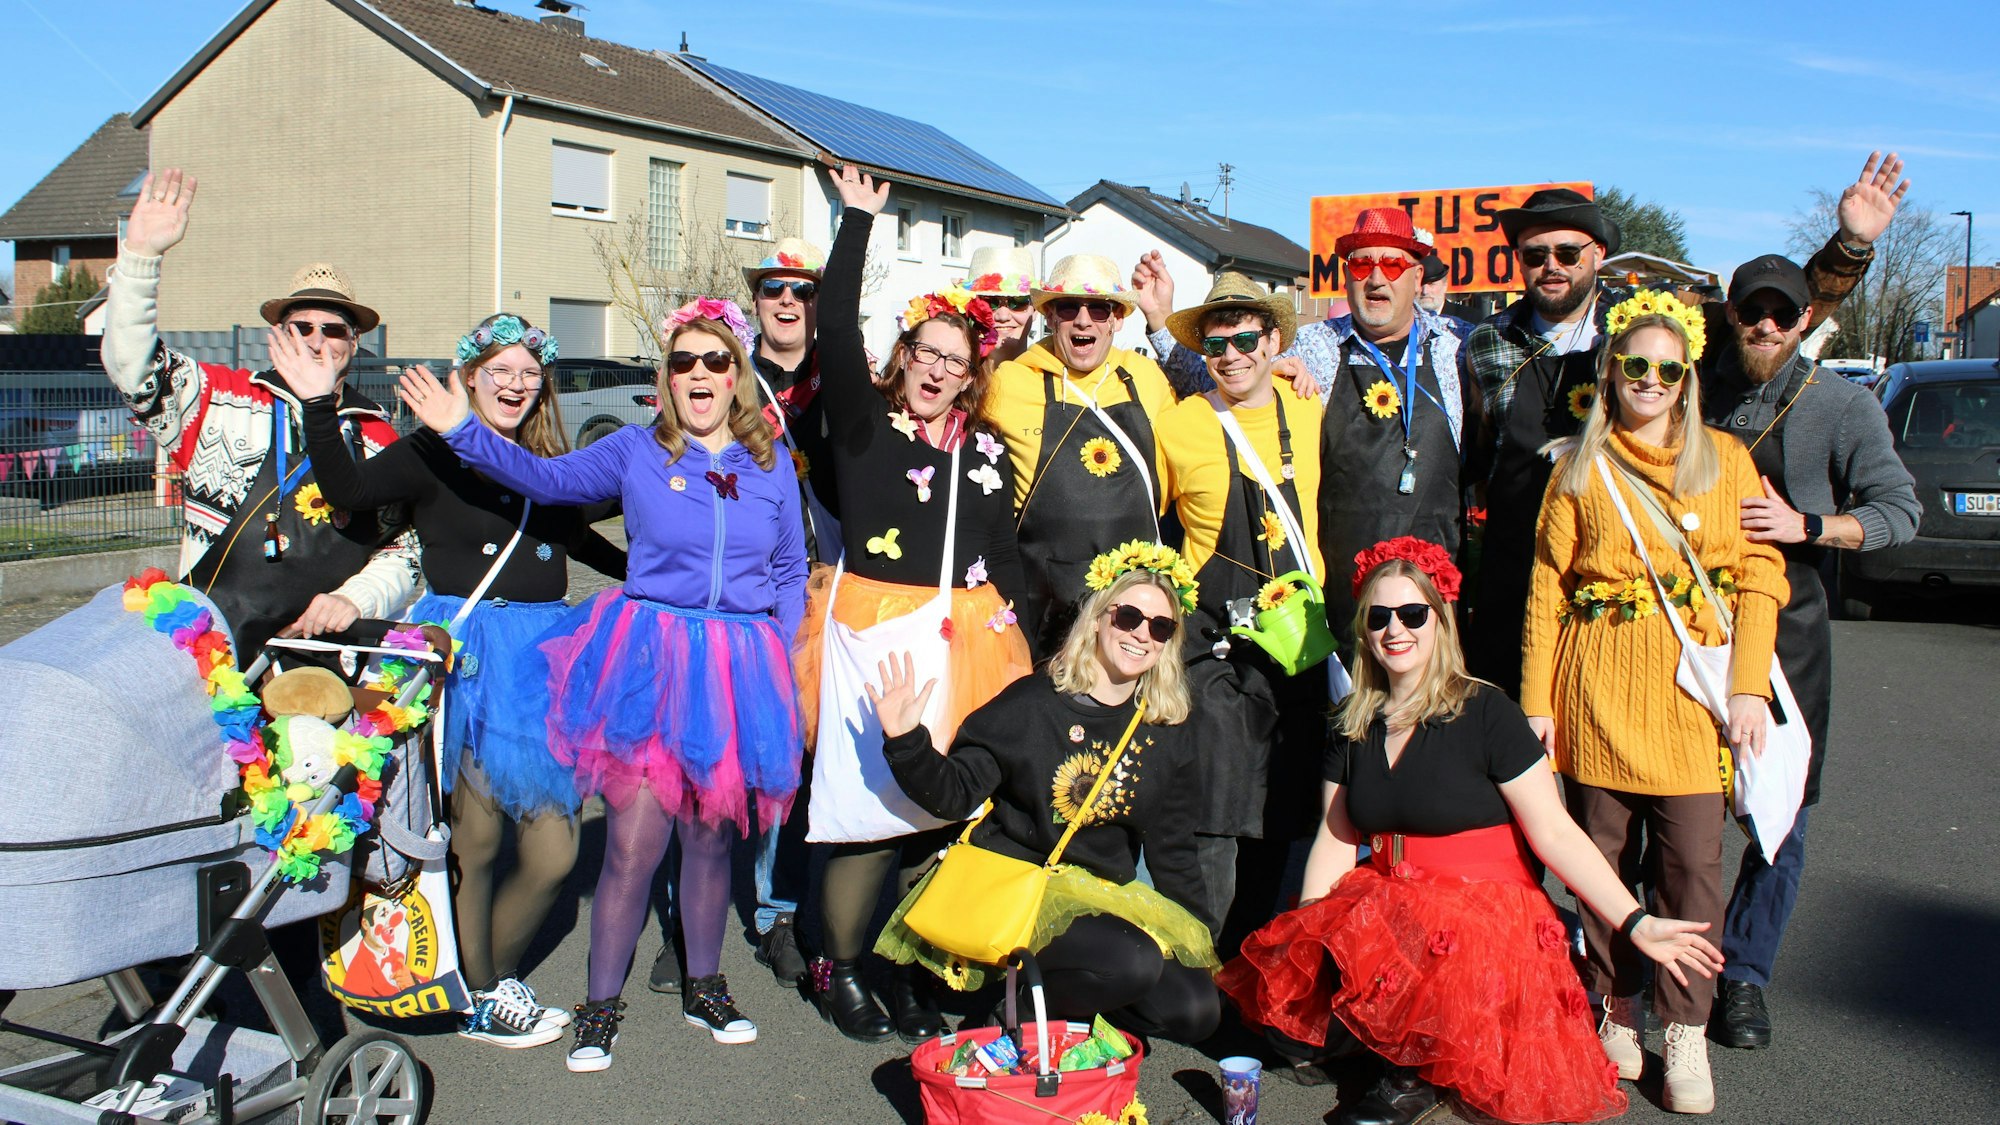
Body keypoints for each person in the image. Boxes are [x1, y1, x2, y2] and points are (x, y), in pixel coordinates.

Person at [396, 301, 806, 1072]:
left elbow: (788, 570)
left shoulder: (769, 462)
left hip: (739, 664)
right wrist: (463, 428)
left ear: (737, 375)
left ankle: (706, 984)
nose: (699, 376)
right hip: (651, 657)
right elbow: (538, 477)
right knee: (631, 844)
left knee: (711, 840)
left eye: (715, 361)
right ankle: (599, 1005)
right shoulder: (633, 451)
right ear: (666, 377)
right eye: (683, 362)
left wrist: (780, 655)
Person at [1220, 539, 1725, 1125]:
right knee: (1287, 1022)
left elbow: (1555, 833)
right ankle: (1388, 1048)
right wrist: (1307, 940)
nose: (1395, 630)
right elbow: (1336, 839)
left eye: (1413, 614)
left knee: (1428, 932)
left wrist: (1635, 921)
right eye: (1379, 617)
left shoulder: (1487, 711)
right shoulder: (1353, 721)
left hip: (1483, 909)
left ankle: (1410, 1074)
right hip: (1388, 893)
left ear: (1440, 619)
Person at [288, 313, 626, 1048]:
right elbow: (346, 487)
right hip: (467, 656)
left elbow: (574, 532)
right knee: (472, 841)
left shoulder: (548, 463)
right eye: (498, 369)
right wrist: (318, 403)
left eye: (528, 372)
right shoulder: (430, 453)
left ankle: (490, 977)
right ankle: (478, 993)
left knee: (553, 852)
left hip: (542, 661)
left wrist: (663, 578)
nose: (513, 383)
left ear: (543, 386)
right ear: (468, 375)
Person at [1463, 154, 1909, 698]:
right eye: (1535, 254)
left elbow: (1767, 314)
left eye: (1567, 251)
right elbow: (1478, 453)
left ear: (1597, 255)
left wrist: (1849, 247)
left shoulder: (1652, 318)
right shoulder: (1486, 341)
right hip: (1519, 568)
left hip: (1622, 577)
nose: (1551, 265)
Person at [1521, 293, 1788, 1114]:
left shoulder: (1726, 459)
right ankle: (1617, 1004)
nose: (1651, 379)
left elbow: (1759, 576)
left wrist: (1747, 685)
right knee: (1599, 860)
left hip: (1690, 701)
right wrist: (1537, 701)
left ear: (1686, 380)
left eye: (1668, 369)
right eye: (1635, 364)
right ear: (1612, 371)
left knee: (1692, 871)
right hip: (1596, 684)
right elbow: (1545, 587)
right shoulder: (1577, 465)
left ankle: (1683, 1027)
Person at [791, 166, 1033, 1043]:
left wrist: (1028, 651)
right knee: (864, 813)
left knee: (938, 813)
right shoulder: (861, 426)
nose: (936, 369)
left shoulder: (990, 448)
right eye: (925, 352)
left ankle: (904, 963)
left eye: (954, 359)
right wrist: (857, 224)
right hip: (872, 632)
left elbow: (1002, 553)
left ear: (974, 373)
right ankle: (841, 964)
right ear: (905, 356)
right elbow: (833, 323)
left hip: (970, 636)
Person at [1701, 253, 1920, 1049]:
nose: (1764, 325)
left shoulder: (1842, 405)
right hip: (1683, 623)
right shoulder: (1691, 383)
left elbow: (1901, 510)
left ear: (1804, 322)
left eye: (1781, 314)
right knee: (1670, 804)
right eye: (1750, 310)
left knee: (1778, 813)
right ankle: (1661, 969)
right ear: (1730, 313)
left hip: (1790, 632)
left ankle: (1743, 975)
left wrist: (1813, 527)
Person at [873, 544, 1220, 1045]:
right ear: (1099, 620)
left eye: (1160, 627)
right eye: (1129, 617)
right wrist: (906, 741)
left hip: (1102, 898)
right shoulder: (1034, 704)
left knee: (1195, 1010)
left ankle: (1067, 1006)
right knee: (1133, 962)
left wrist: (1202, 945)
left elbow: (1174, 850)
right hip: (1018, 884)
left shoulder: (1166, 729)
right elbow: (953, 794)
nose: (1142, 634)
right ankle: (1007, 1020)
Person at [100, 169, 420, 655]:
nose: (317, 341)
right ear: (279, 334)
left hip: (326, 653)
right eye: (302, 326)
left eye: (334, 329)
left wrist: (355, 598)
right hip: (211, 650)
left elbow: (406, 549)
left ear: (355, 342)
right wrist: (141, 258)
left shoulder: (378, 436)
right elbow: (131, 367)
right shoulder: (217, 399)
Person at [1151, 273, 1328, 951]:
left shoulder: (1310, 409)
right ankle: (1203, 959)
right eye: (1217, 342)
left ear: (1275, 340)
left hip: (1300, 640)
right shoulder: (1178, 424)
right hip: (1214, 643)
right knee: (1216, 807)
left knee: (1283, 811)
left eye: (1247, 338)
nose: (1232, 354)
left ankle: (1258, 960)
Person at [988, 257, 1179, 654]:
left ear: (1117, 319)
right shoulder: (1010, 381)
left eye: (1098, 309)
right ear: (1051, 317)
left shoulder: (1146, 376)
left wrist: (1279, 372)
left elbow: (1222, 396)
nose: (1083, 321)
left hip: (1137, 608)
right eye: (1068, 308)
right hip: (1046, 613)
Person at [962, 245, 1038, 369]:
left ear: (1035, 310)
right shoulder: (953, 377)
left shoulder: (1052, 381)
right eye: (989, 301)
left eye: (1018, 302)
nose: (1003, 316)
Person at [1416, 253, 1477, 341]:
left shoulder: (1471, 318)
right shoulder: (1404, 323)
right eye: (1421, 284)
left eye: (1431, 284)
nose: (1425, 291)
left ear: (1445, 285)